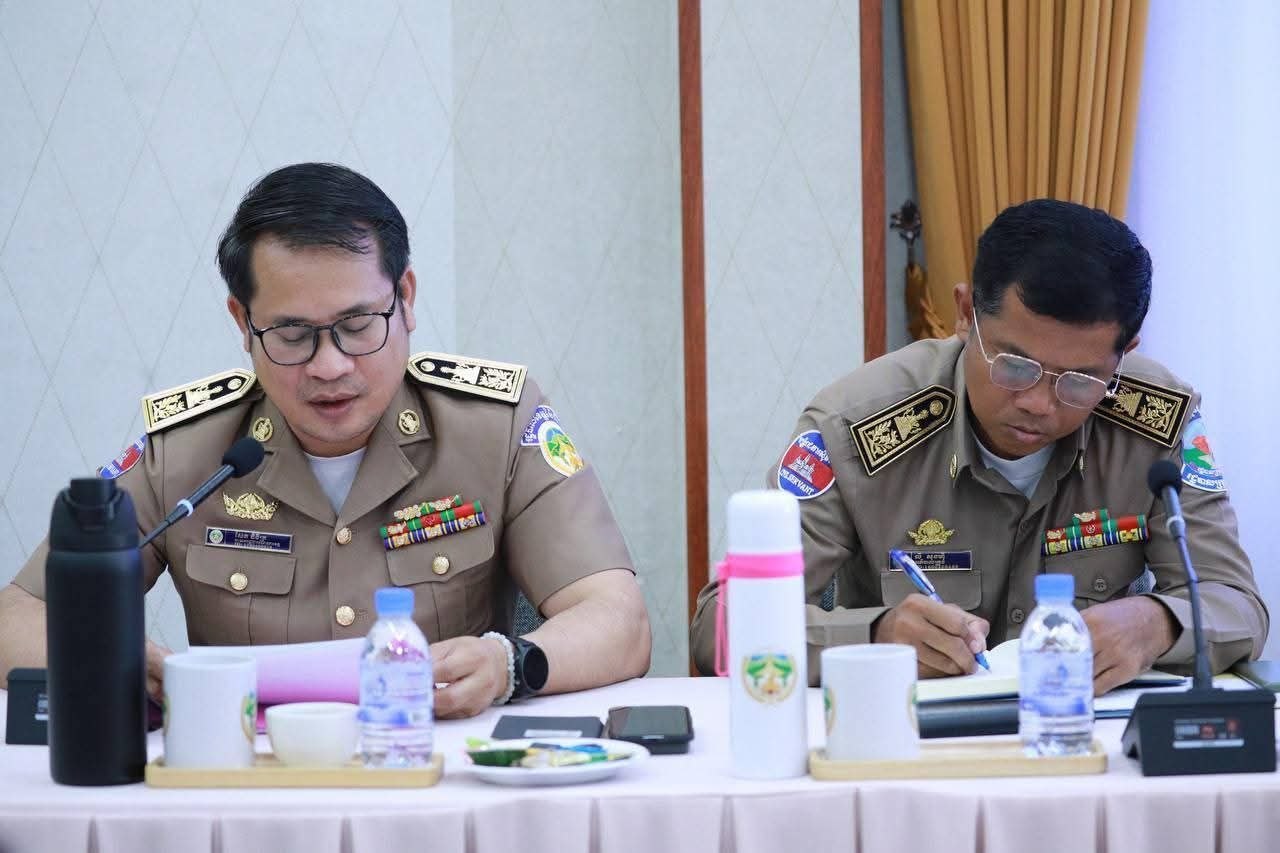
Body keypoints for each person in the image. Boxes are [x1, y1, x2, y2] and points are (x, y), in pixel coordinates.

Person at [0, 163, 651, 717]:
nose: (329, 365)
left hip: (440, 778)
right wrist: (115, 662)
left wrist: (510, 663)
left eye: (358, 324)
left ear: (405, 298)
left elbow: (618, 617)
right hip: (248, 790)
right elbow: (17, 618)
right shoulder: (186, 450)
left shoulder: (495, 426)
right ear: (243, 323)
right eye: (292, 334)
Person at [691, 198, 1266, 694]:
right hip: (909, 745)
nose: (1039, 403)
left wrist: (1156, 623)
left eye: (1079, 381)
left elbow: (1236, 601)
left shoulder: (1157, 421)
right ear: (966, 315)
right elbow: (720, 623)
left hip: (1082, 739)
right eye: (1014, 365)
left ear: (1124, 354)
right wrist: (874, 636)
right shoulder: (856, 427)